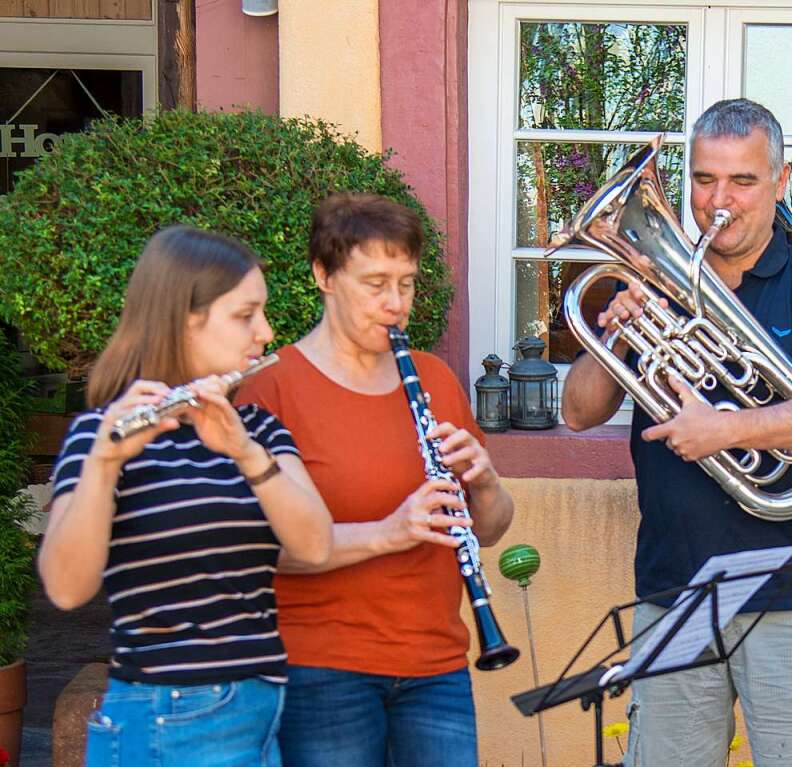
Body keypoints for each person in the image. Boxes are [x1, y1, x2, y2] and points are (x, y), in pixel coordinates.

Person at [561, 99, 792, 766]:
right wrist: (615, 330)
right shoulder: (659, 293)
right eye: (704, 180)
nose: (718, 201)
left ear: (780, 181)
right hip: (675, 589)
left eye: (742, 181)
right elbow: (578, 410)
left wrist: (725, 429)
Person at [235, 192, 515, 767]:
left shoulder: (434, 378)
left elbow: (488, 531)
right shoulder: (274, 388)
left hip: (436, 663)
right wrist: (392, 529)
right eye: (375, 283)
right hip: (323, 668)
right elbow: (257, 549)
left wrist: (483, 481)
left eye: (406, 284)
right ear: (324, 275)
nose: (395, 304)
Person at [39, 226, 334, 767]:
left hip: (259, 707)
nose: (265, 332)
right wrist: (105, 463)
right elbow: (65, 588)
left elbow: (316, 546)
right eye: (245, 315)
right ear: (183, 319)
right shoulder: (101, 435)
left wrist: (244, 452)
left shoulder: (259, 433)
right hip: (168, 715)